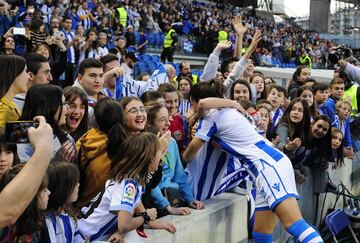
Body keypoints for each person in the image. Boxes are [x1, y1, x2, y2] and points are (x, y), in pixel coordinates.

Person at [183, 81, 323, 243]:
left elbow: (189, 152)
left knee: (294, 224)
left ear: (193, 100)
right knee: (261, 233)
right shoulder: (236, 113)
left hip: (266, 167)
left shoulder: (212, 117)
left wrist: (185, 156)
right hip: (271, 163)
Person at [77, 133, 176, 242]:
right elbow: (124, 225)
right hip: (82, 237)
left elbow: (136, 201)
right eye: (161, 153)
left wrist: (150, 222)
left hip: (87, 232)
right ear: (150, 158)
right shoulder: (128, 185)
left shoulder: (133, 180)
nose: (162, 157)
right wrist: (146, 217)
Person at [145, 102, 204, 216]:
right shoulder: (145, 146)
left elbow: (180, 176)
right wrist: (168, 207)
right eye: (162, 120)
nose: (168, 123)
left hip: (173, 197)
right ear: (149, 123)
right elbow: (149, 183)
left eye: (168, 119)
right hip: (155, 205)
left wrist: (190, 199)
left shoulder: (171, 142)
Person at [76, 98, 128, 208]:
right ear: (123, 117)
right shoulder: (131, 147)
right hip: (118, 212)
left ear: (94, 120)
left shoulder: (83, 142)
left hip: (84, 211)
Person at [17, 84, 75, 163]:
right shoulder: (20, 139)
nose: (67, 107)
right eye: (63, 103)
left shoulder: (66, 138)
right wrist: (58, 163)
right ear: (49, 107)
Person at [0, 164, 51, 241]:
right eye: (44, 190)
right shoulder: (5, 229)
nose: (49, 192)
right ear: (29, 195)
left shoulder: (37, 221)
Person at [45, 162, 83, 242]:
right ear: (62, 189)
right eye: (75, 183)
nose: (79, 185)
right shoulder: (49, 220)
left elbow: (76, 234)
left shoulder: (68, 211)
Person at [0, 55, 29, 128]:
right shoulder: (4, 109)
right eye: (25, 71)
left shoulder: (9, 107)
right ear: (14, 73)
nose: (29, 77)